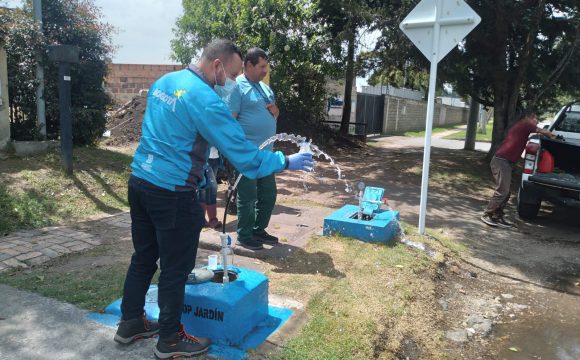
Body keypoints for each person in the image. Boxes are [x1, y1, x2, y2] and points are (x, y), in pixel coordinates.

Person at [113, 39, 313, 359]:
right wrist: (287, 162)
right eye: (232, 75)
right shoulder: (205, 99)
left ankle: (130, 322)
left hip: (140, 183)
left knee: (143, 258)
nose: (231, 83)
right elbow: (246, 157)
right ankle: (169, 340)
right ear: (217, 66)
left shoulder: (165, 81)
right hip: (172, 192)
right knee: (176, 270)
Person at [225, 48, 280, 251]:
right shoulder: (236, 87)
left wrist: (277, 111)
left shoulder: (265, 89)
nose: (265, 71)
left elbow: (273, 113)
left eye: (267, 66)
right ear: (248, 65)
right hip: (246, 153)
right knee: (247, 196)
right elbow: (230, 120)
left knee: (269, 194)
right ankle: (244, 234)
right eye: (262, 66)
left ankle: (258, 229)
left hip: (267, 154)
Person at [481, 110, 555, 228]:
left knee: (506, 192)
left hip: (505, 162)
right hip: (501, 161)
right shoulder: (526, 124)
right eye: (536, 119)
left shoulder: (522, 127)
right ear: (530, 117)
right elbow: (542, 132)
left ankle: (497, 215)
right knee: (503, 191)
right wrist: (553, 135)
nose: (537, 122)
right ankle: (487, 214)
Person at [198, 146, 223, 229]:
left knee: (208, 189)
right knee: (208, 189)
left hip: (215, 157)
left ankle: (204, 220)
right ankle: (210, 220)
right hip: (205, 157)